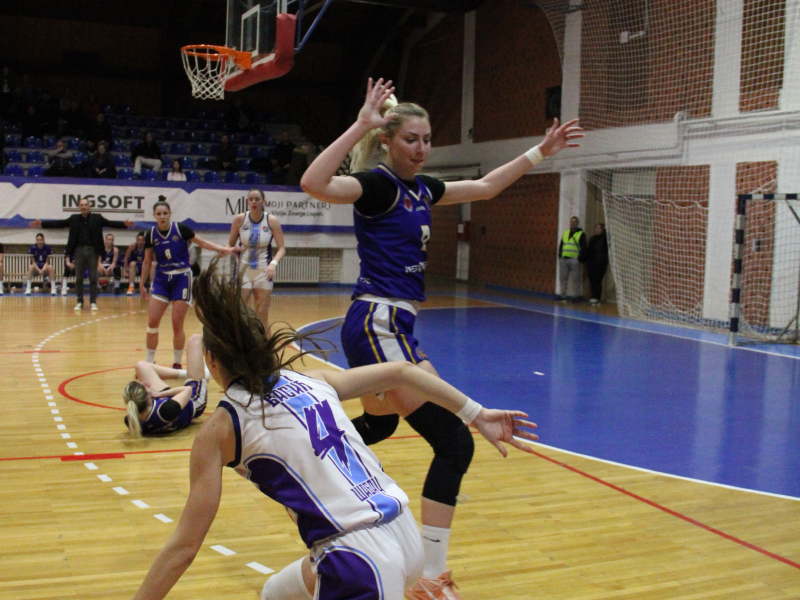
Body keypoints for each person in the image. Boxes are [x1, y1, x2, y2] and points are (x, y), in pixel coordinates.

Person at [300, 77, 581, 596]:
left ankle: (301, 453)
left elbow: (487, 186)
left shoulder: (423, 188)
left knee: (379, 427)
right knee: (454, 442)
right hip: (377, 322)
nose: (422, 148)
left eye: (427, 139)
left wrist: (541, 151)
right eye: (411, 139)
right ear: (387, 140)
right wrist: (358, 125)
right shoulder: (377, 185)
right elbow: (314, 183)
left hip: (395, 325)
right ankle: (430, 578)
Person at [129, 260, 538, 600]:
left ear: (212, 362)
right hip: (402, 532)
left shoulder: (219, 429)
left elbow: (184, 548)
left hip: (355, 557)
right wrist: (476, 413)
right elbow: (402, 371)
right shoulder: (314, 380)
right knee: (275, 593)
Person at [139, 196, 238, 368]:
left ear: (170, 213)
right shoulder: (151, 234)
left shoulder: (181, 229)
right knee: (152, 322)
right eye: (159, 214)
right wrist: (142, 283)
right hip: (162, 279)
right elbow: (147, 261)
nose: (162, 216)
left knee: (177, 323)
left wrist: (223, 249)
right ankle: (149, 362)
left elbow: (202, 242)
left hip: (182, 278)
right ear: (154, 215)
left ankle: (177, 362)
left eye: (165, 213)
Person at [30, 197, 134, 310]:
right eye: (82, 205)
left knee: (93, 278)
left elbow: (110, 223)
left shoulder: (97, 218)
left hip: (93, 251)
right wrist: (42, 223)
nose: (84, 207)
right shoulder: (74, 219)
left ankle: (93, 301)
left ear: (89, 206)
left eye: (86, 205)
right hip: (78, 251)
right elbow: (60, 223)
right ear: (79, 207)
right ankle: (79, 301)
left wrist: (124, 224)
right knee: (79, 278)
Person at [122, 333, 208, 437]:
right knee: (195, 340)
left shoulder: (132, 420)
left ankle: (186, 373)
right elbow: (187, 390)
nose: (144, 383)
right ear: (149, 398)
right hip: (193, 399)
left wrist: (153, 392)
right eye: (144, 386)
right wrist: (159, 394)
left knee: (141, 366)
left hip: (166, 400)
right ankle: (198, 372)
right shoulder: (166, 410)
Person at [227, 188, 285, 331]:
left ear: (263, 201)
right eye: (251, 199)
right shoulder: (240, 219)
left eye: (257, 199)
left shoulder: (271, 221)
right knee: (239, 314)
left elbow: (282, 249)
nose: (253, 202)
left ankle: (266, 345)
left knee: (262, 316)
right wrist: (229, 250)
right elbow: (230, 244)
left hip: (264, 272)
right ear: (247, 201)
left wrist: (273, 264)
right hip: (243, 272)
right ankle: (240, 344)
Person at [557, 216, 587, 302]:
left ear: (577, 224)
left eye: (575, 222)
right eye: (571, 222)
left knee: (576, 279)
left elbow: (583, 247)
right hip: (564, 259)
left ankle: (576, 296)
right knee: (563, 278)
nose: (573, 223)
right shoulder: (566, 232)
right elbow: (562, 244)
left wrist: (579, 259)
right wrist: (560, 255)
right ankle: (562, 295)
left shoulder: (581, 234)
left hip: (574, 259)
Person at [586, 223, 609, 306]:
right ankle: (593, 297)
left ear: (602, 230)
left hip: (600, 264)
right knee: (592, 281)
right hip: (591, 263)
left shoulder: (604, 239)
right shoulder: (592, 239)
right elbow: (588, 251)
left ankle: (597, 298)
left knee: (598, 281)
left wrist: (606, 229)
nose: (597, 230)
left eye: (599, 228)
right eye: (596, 228)